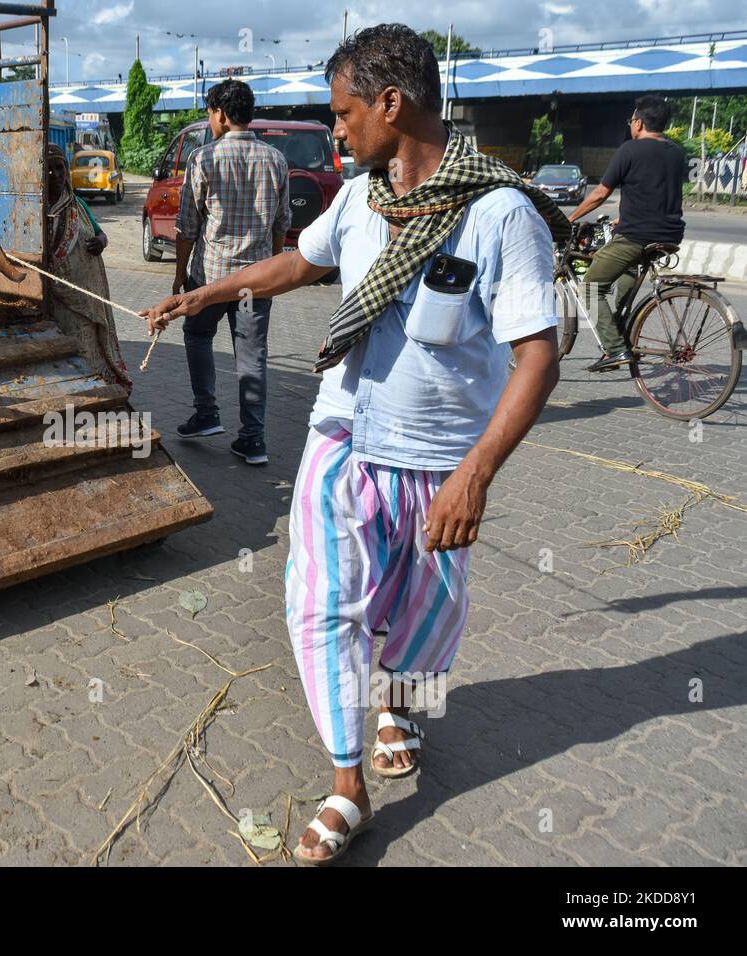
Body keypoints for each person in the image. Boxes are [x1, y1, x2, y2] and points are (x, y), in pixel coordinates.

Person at [142, 23, 568, 864]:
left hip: (443, 459)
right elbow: (299, 263)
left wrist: (476, 474)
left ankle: (399, 705)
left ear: (390, 103)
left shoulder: (501, 215)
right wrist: (206, 292)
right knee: (319, 605)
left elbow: (539, 356)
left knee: (427, 614)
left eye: (342, 114)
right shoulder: (361, 198)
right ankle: (348, 785)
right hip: (343, 436)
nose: (335, 130)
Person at [173, 79, 290, 466]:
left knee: (197, 335)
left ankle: (206, 414)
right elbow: (281, 224)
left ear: (221, 113)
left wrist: (179, 276)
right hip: (255, 283)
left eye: (210, 113)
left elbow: (187, 226)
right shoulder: (276, 160)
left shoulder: (203, 159)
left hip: (208, 278)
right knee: (252, 358)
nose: (210, 120)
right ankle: (253, 440)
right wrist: (272, 270)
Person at [568, 95, 685, 371]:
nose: (631, 125)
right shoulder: (677, 152)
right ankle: (620, 328)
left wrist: (570, 218)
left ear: (640, 122)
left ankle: (615, 350)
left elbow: (600, 193)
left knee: (589, 288)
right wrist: (625, 217)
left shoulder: (630, 150)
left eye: (632, 120)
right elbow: (656, 190)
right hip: (669, 235)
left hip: (636, 237)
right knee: (625, 275)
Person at [44, 144, 130, 390]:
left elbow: (101, 233)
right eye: (49, 170)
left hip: (88, 297)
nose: (56, 175)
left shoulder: (77, 205)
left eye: (60, 168)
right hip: (59, 300)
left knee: (89, 345)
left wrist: (100, 242)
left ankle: (97, 390)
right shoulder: (37, 211)